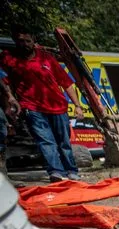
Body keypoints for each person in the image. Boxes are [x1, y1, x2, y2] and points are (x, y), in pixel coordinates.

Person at [1, 26, 84, 182]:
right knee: (46, 141)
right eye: (20, 41)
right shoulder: (10, 60)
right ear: (15, 42)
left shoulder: (47, 59)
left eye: (28, 41)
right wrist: (10, 100)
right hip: (32, 108)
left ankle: (71, 171)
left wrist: (78, 106)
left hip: (58, 107)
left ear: (34, 41)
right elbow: (4, 82)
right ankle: (56, 172)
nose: (24, 44)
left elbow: (66, 83)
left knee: (64, 142)